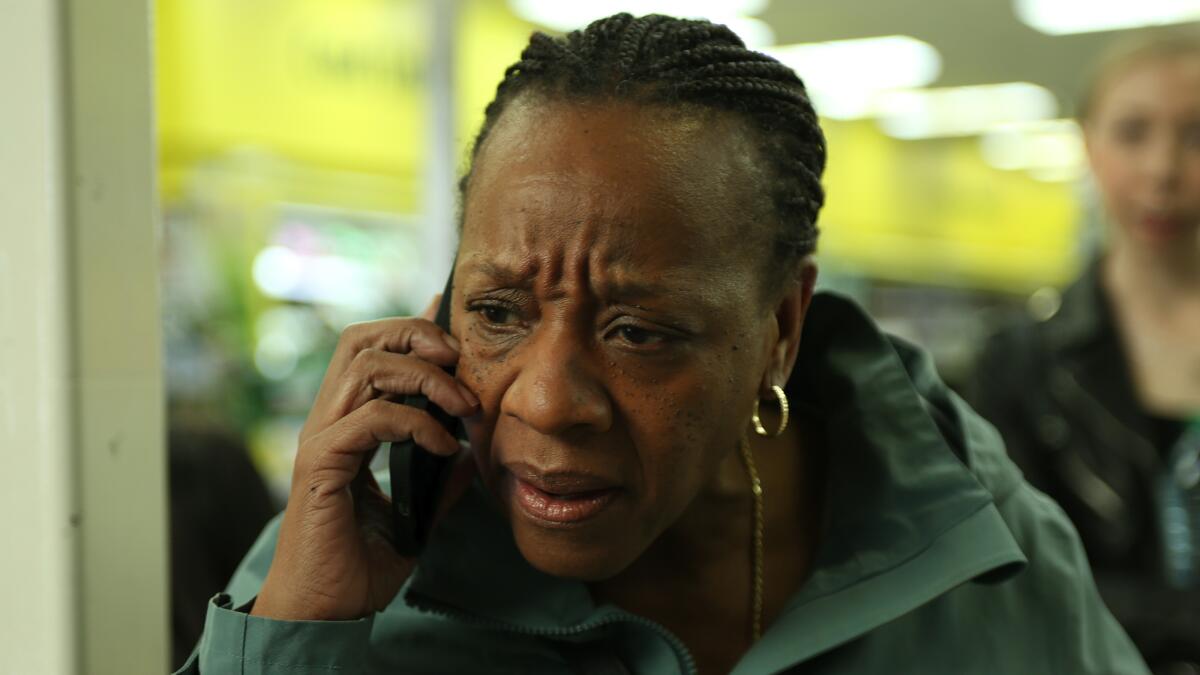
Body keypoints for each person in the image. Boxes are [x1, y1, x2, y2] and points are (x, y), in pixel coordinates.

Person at [176, 14, 1148, 674]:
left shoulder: (970, 545)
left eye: (638, 332)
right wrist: (303, 626)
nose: (548, 401)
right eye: (499, 312)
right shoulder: (345, 548)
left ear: (779, 330)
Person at [969, 32, 1200, 671]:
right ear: (1089, 145)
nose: (1163, 170)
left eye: (1196, 134)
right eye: (1132, 133)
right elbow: (1014, 575)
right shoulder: (1019, 363)